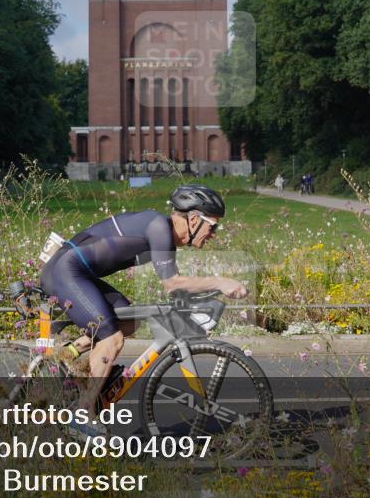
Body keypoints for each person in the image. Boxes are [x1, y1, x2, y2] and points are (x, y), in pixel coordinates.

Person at [39, 185, 247, 436]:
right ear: (193, 219)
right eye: (213, 226)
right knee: (112, 338)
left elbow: (176, 286)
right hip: (66, 270)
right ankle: (83, 417)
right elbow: (172, 284)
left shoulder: (164, 237)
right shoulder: (159, 226)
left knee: (131, 320)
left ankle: (70, 353)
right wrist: (219, 281)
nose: (214, 234)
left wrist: (205, 297)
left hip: (78, 272)